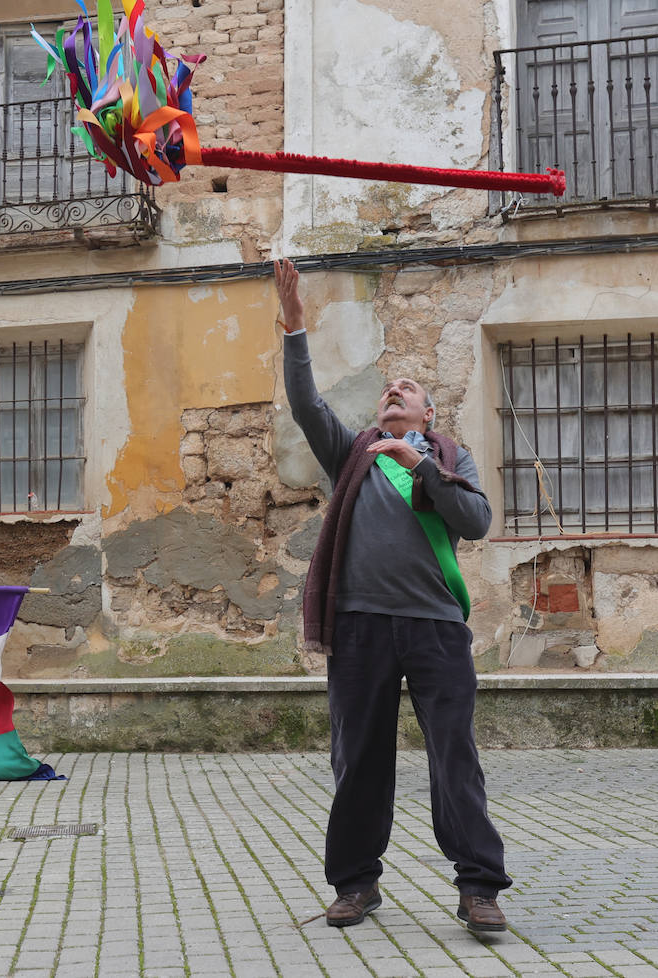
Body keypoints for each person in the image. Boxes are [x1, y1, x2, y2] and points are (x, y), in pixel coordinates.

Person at [274, 258, 510, 933]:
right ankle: (355, 884)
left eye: (408, 390)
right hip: (360, 628)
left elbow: (475, 521)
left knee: (453, 759)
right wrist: (294, 324)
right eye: (387, 390)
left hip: (435, 627)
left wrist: (425, 468)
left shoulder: (449, 459)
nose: (394, 390)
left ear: (429, 415)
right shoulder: (353, 455)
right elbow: (305, 404)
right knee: (359, 762)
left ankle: (479, 887)